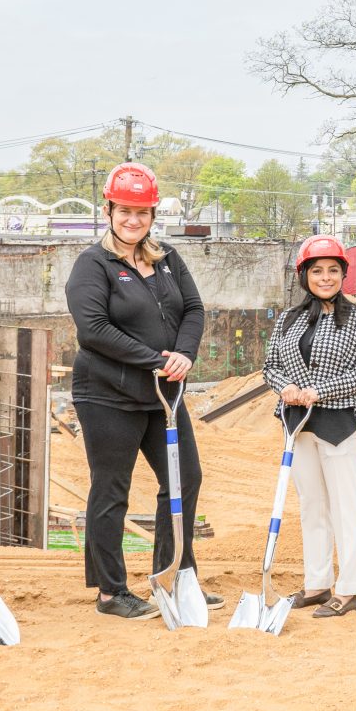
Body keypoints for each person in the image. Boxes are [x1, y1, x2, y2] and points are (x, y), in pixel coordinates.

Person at [66, 162, 214, 619]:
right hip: (108, 394)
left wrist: (184, 354)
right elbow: (93, 329)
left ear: (153, 215)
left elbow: (192, 308)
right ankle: (111, 592)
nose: (134, 220)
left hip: (163, 394)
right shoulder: (93, 265)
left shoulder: (166, 257)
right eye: (125, 211)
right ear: (109, 210)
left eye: (143, 212)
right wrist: (157, 360)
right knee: (112, 489)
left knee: (184, 478)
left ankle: (173, 576)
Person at [261, 234, 356, 617]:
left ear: (343, 274)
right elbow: (270, 367)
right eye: (317, 270)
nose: (325, 277)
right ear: (305, 275)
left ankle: (349, 589)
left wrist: (319, 391)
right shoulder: (288, 319)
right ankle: (317, 583)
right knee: (312, 505)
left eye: (333, 270)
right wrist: (287, 388)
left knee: (344, 506)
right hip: (298, 423)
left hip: (340, 422)